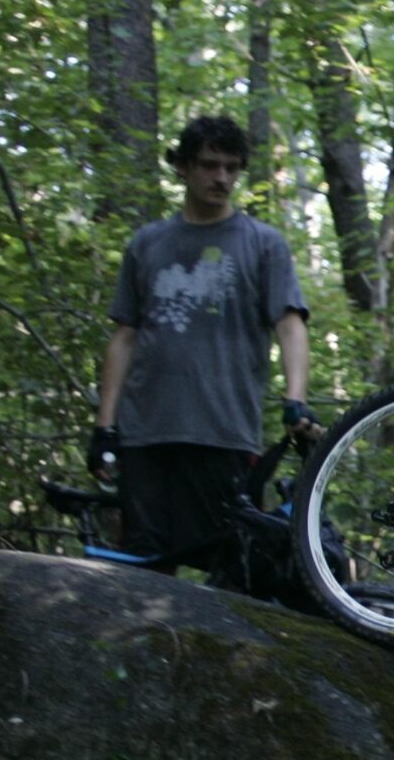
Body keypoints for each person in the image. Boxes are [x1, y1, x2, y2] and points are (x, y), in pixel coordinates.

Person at [90, 114, 314, 573]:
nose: (222, 178)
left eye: (232, 167)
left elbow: (290, 325)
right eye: (211, 165)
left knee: (232, 569)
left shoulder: (263, 244)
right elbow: (125, 336)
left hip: (225, 432)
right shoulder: (147, 244)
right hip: (146, 433)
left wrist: (296, 400)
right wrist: (105, 426)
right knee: (142, 568)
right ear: (184, 168)